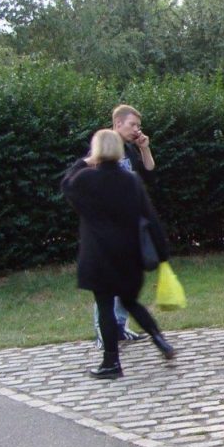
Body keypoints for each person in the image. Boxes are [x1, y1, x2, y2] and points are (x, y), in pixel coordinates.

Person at [62, 129, 176, 379]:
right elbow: (151, 218)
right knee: (130, 301)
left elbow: (66, 184)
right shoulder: (131, 180)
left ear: (97, 151)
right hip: (129, 253)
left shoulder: (85, 179)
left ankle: (111, 362)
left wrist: (84, 161)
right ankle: (159, 340)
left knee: (105, 306)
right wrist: (163, 254)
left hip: (99, 253)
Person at [94, 104, 157, 346]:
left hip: (130, 225)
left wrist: (145, 148)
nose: (136, 129)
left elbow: (149, 175)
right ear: (117, 123)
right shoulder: (103, 148)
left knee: (126, 279)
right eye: (132, 125)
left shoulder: (130, 149)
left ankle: (120, 326)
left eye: (138, 126)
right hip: (108, 227)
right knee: (107, 282)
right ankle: (104, 330)